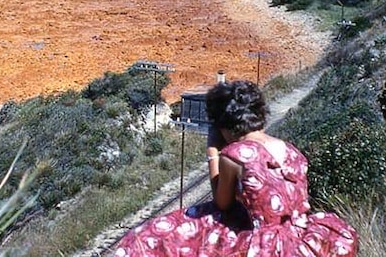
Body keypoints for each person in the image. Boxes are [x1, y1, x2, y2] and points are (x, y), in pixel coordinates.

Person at [114, 80, 357, 256]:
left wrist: (212, 152)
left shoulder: (236, 154)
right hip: (301, 235)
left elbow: (222, 202)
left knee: (158, 235)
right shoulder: (291, 149)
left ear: (225, 126)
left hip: (266, 242)